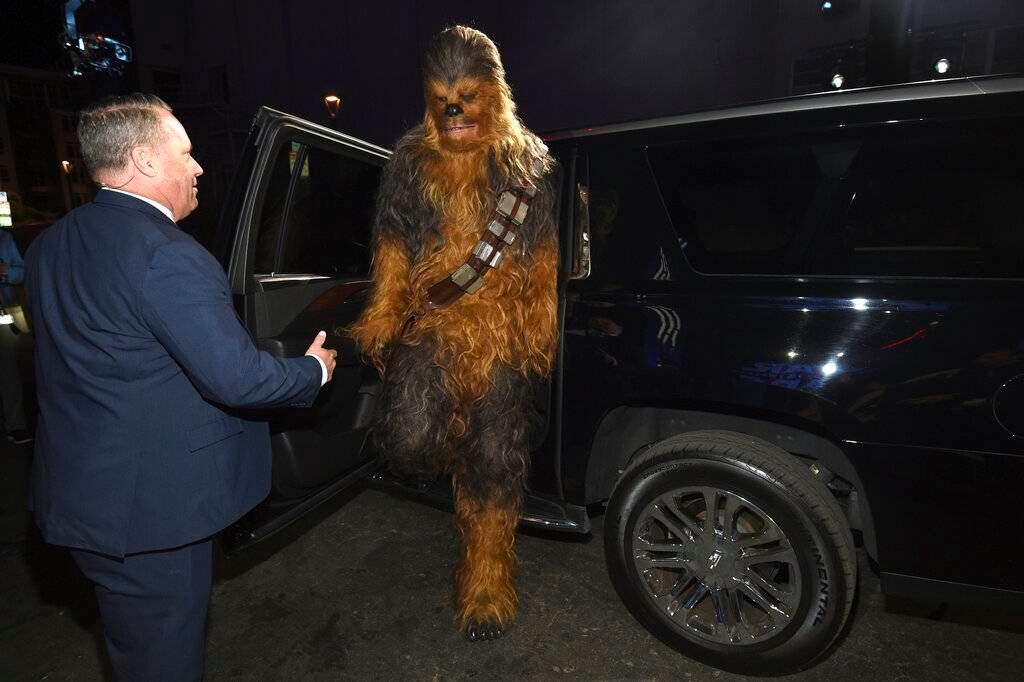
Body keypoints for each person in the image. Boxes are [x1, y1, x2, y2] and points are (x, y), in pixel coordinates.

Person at [25, 93, 337, 681]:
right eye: (186, 152)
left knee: (132, 647)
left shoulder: (49, 245)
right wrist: (312, 370)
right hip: (151, 517)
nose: (198, 167)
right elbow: (237, 378)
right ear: (144, 160)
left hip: (81, 498)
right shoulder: (168, 255)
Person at [348, 26, 558, 642]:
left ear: (495, 93)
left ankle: (486, 584)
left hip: (503, 339)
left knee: (495, 465)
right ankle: (456, 455)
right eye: (442, 100)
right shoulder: (409, 161)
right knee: (407, 441)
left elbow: (544, 254)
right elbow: (393, 242)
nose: (454, 112)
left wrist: (540, 326)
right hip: (437, 330)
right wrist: (385, 310)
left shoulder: (527, 164)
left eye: (467, 97)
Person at [0, 227, 30, 444]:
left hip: (4, 317)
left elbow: (23, 272)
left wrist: (5, 271)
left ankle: (16, 424)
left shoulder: (3, 238)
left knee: (8, 371)